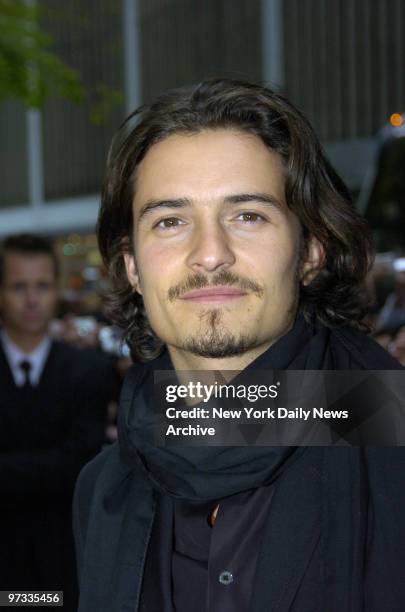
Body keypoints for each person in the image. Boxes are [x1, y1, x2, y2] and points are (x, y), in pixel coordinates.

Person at [73, 79, 405, 612]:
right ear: (133, 266)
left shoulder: (390, 438)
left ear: (310, 251)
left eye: (248, 215)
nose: (210, 253)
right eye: (170, 221)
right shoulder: (103, 491)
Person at [0, 234, 117, 611]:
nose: (32, 300)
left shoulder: (90, 370)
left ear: (56, 289)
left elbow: (79, 465)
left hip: (65, 564)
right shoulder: (90, 371)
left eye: (42, 286)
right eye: (19, 287)